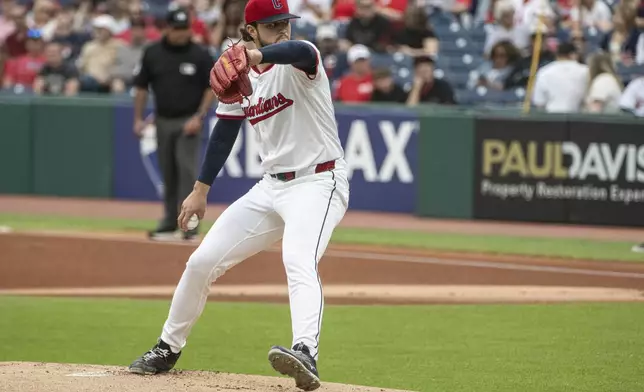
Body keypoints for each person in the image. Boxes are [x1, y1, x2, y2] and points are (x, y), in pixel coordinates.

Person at [127, 0, 350, 390]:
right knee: (200, 262)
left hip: (319, 182)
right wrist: (200, 190)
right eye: (271, 24)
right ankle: (167, 346)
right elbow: (225, 130)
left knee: (298, 258)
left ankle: (305, 351)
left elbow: (299, 50)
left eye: (285, 22)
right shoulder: (241, 77)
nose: (283, 30)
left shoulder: (303, 60)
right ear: (251, 29)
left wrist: (257, 53)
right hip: (271, 187)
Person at [132, 7, 216, 242]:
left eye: (185, 28)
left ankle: (189, 226)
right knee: (168, 173)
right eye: (177, 29)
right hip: (162, 120)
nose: (182, 34)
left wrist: (199, 116)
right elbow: (141, 87)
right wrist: (138, 118)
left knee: (187, 172)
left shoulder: (200, 53)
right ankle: (169, 221)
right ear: (167, 28)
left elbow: (212, 87)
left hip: (187, 120)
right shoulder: (153, 53)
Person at [531, 42, 589, 113]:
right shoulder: (585, 70)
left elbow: (539, 102)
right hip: (578, 117)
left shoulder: (544, 71)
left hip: (552, 117)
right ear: (573, 55)